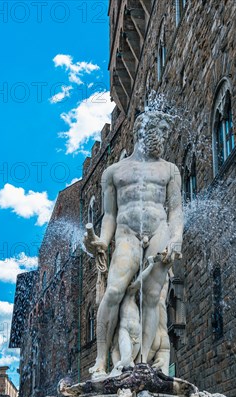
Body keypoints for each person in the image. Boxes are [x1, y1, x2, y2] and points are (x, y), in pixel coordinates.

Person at [84, 111, 183, 378]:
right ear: (144, 131)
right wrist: (102, 241)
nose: (163, 138)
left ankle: (143, 364)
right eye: (160, 132)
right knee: (114, 290)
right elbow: (110, 216)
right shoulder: (113, 172)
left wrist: (176, 238)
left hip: (159, 231)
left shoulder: (170, 170)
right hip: (126, 234)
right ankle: (101, 360)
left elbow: (175, 210)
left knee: (153, 298)